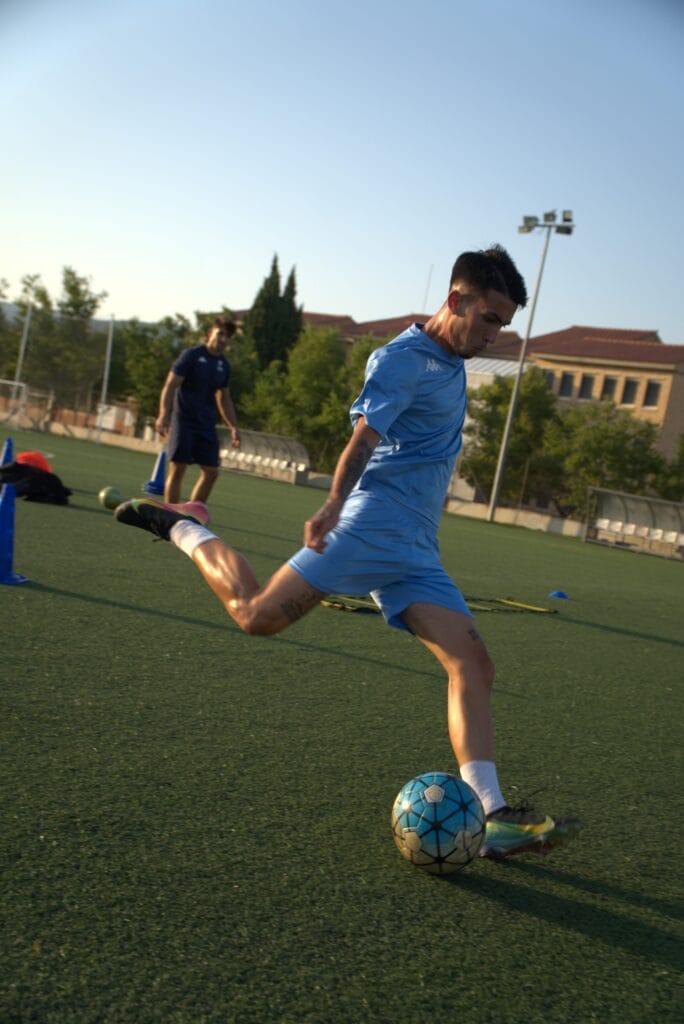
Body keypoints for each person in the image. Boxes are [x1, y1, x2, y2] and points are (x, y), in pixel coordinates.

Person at [115, 246, 581, 860]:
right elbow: (362, 439)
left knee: (474, 664)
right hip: (369, 528)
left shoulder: (452, 358)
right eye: (491, 318)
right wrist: (334, 504)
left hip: (416, 550)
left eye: (504, 323)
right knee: (255, 615)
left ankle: (490, 813)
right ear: (456, 300)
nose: (496, 335)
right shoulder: (401, 359)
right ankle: (180, 525)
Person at [154, 316, 241, 505]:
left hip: (206, 424)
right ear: (210, 333)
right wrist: (164, 414)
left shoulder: (224, 366)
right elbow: (170, 385)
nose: (223, 339)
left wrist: (233, 426)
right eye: (220, 334)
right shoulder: (191, 356)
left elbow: (224, 398)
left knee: (211, 472)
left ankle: (191, 514)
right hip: (183, 419)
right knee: (178, 468)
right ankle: (171, 514)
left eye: (228, 337)